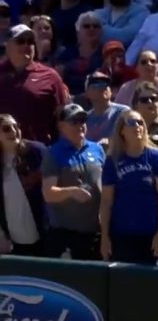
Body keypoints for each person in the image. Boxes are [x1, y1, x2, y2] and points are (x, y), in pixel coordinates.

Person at [99, 110, 158, 264]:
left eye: (140, 123)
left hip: (151, 235)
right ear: (122, 130)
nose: (137, 126)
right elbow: (106, 202)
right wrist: (105, 237)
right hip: (121, 235)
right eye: (132, 122)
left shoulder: (156, 157)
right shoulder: (113, 161)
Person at [41, 104, 105, 260]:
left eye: (82, 121)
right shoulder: (54, 153)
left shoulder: (97, 149)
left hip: (96, 233)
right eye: (74, 122)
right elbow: (48, 193)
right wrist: (72, 192)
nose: (80, 126)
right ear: (61, 127)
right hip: (67, 235)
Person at [0, 24, 69, 145]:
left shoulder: (50, 76)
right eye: (21, 41)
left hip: (38, 150)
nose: (27, 45)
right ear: (7, 45)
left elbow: (62, 116)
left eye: (30, 41)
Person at [0, 114, 47, 256]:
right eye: (7, 129)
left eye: (16, 127)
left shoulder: (36, 151)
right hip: (14, 237)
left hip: (44, 232)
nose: (14, 131)